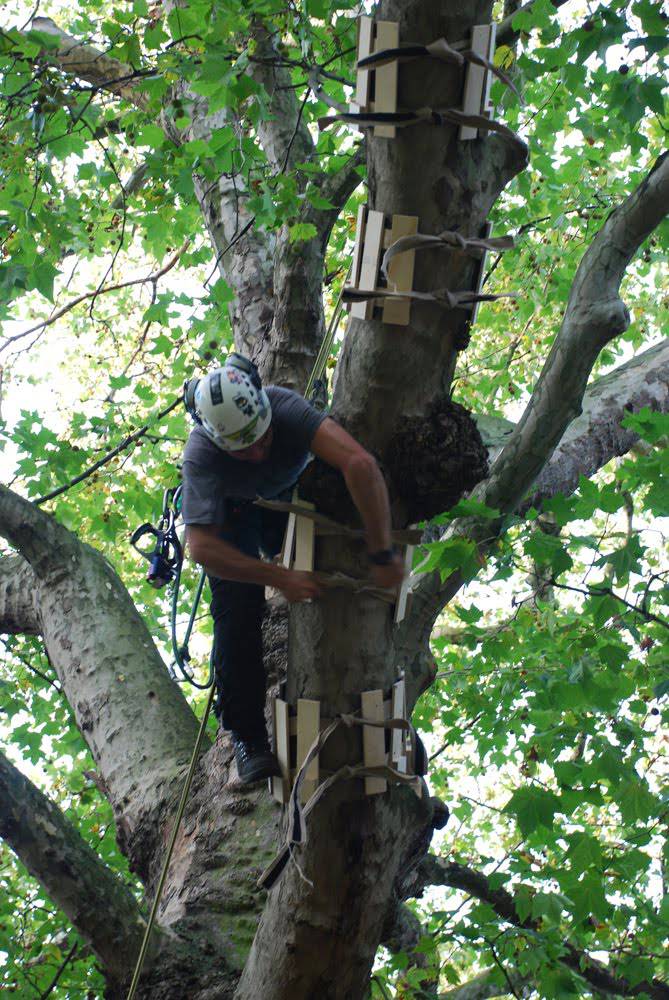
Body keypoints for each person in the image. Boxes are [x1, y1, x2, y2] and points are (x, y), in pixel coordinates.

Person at [181, 353, 404, 784]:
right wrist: (279, 578)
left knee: (336, 526)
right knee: (237, 612)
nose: (260, 450)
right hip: (232, 513)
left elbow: (359, 464)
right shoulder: (202, 455)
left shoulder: (284, 407)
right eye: (246, 448)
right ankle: (247, 737)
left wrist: (382, 552)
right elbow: (203, 547)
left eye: (263, 439)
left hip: (290, 495)